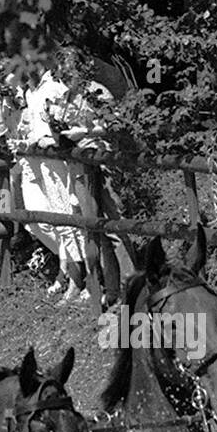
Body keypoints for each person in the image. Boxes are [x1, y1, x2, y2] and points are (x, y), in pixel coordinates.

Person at [53, 47, 136, 305]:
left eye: (71, 74)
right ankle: (112, 290)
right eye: (63, 76)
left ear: (80, 71)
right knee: (95, 229)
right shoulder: (64, 99)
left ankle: (132, 287)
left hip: (104, 164)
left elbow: (115, 124)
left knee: (115, 226)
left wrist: (86, 131)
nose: (68, 80)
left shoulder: (97, 92)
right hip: (79, 166)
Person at [13, 57, 89, 304]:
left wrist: (53, 141)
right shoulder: (30, 93)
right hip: (43, 162)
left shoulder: (54, 89)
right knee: (60, 221)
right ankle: (76, 280)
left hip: (60, 160)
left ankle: (87, 278)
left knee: (74, 216)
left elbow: (69, 126)